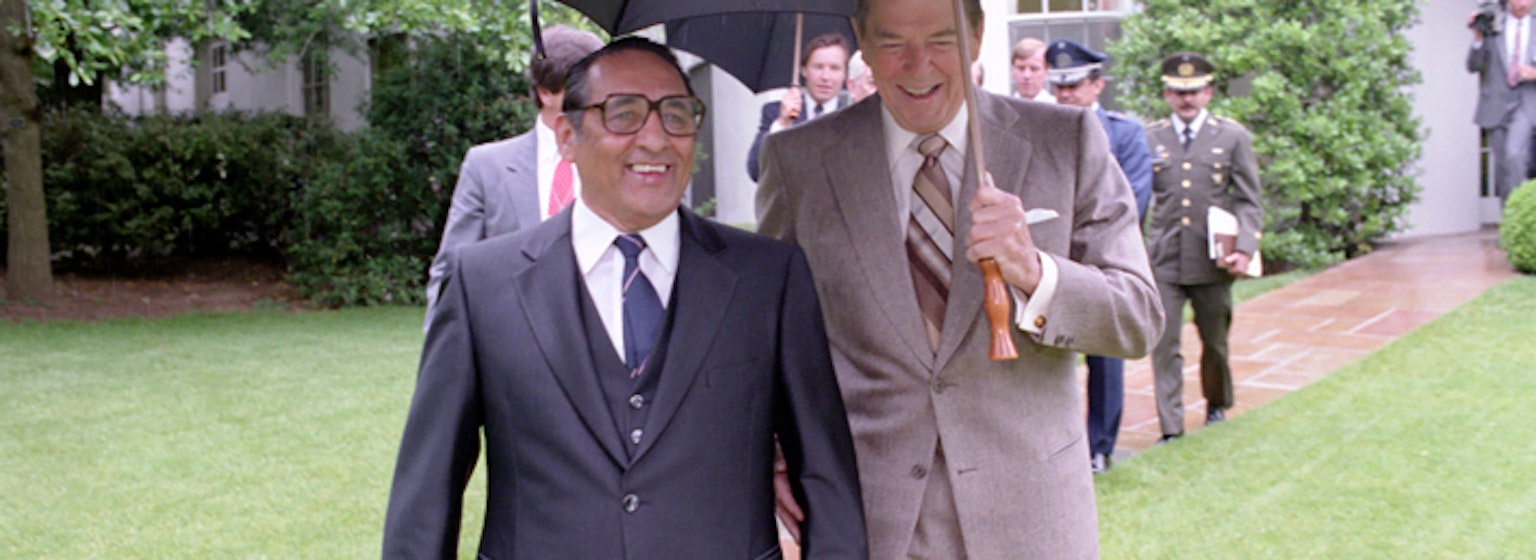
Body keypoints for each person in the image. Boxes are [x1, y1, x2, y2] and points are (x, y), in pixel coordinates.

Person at [383, 37, 868, 559]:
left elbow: (827, 482)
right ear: (566, 136)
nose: (655, 139)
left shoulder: (768, 278)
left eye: (676, 115)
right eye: (624, 114)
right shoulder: (483, 284)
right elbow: (426, 495)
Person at [756, 0, 1163, 556]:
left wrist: (1032, 270)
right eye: (893, 42)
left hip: (1032, 515)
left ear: (976, 34)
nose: (918, 65)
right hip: (870, 517)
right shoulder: (798, 161)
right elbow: (770, 332)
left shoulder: (1065, 141)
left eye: (941, 40)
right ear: (862, 42)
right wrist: (774, 446)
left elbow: (1138, 317)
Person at [423, 26, 602, 326]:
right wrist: (443, 345)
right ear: (546, 92)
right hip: (512, 339)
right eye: (584, 86)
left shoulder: (618, 161)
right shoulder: (486, 167)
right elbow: (451, 270)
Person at [1044, 38, 1153, 474]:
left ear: (1097, 85)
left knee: (1105, 360)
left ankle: (1100, 446)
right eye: (1059, 87)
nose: (1065, 95)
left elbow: (1134, 201)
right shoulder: (1042, 131)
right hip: (1051, 262)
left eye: (1074, 86)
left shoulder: (1124, 134)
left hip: (1103, 262)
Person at [1145, 52, 1263, 442]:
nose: (1187, 99)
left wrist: (1244, 247)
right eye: (1179, 92)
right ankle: (1171, 427)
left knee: (1214, 341)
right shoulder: (1151, 137)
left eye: (1194, 91)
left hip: (1213, 260)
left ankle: (1216, 402)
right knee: (1164, 345)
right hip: (1164, 258)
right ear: (1167, 94)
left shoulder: (1231, 137)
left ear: (1208, 92)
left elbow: (1248, 200)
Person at [746, 33, 853, 181]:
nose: (825, 77)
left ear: (845, 74)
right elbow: (756, 172)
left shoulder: (853, 121)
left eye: (835, 68)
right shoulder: (774, 112)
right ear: (804, 70)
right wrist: (782, 124)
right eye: (818, 67)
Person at [1469, 0, 1536, 204]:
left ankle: (1521, 213)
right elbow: (1473, 66)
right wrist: (1478, 37)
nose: (1523, 3)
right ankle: (1509, 219)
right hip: (1496, 104)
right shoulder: (1494, 27)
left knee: (1515, 156)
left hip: (1526, 104)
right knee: (1503, 168)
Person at [1011, 37, 1055, 103]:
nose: (1026, 75)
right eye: (1021, 68)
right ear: (1012, 70)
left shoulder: (1057, 107)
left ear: (1047, 72)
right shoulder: (1002, 108)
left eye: (1034, 69)